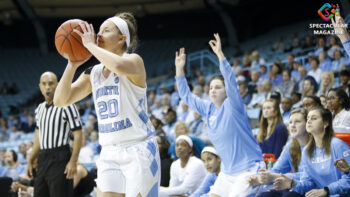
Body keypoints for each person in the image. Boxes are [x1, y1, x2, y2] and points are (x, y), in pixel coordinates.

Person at [53, 12, 160, 196]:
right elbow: (60, 101)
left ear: (121, 39)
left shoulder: (134, 60)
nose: (99, 34)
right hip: (109, 152)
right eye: (99, 30)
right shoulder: (92, 73)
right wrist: (72, 64)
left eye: (107, 30)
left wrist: (89, 45)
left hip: (139, 149)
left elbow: (117, 66)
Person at [174, 34, 263, 196]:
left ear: (226, 91)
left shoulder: (234, 105)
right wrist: (179, 70)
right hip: (227, 172)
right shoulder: (208, 109)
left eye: (218, 87)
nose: (213, 90)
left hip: (249, 168)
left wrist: (220, 55)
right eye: (211, 87)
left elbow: (231, 82)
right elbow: (186, 96)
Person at [26, 71, 83, 197]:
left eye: (51, 83)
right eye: (44, 84)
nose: (47, 87)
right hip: (43, 158)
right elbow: (38, 138)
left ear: (57, 85)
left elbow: (78, 134)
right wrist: (30, 160)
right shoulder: (39, 109)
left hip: (61, 156)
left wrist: (73, 161)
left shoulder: (67, 104)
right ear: (40, 86)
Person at [273, 107, 350, 196]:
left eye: (314, 118)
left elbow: (348, 181)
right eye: (308, 118)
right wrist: (292, 184)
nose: (309, 121)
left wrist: (326, 191)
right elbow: (309, 183)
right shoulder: (307, 151)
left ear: (325, 123)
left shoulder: (338, 145)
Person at [248, 108, 310, 197]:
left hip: (309, 189)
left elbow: (309, 177)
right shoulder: (290, 146)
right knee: (263, 195)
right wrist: (261, 177)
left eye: (297, 122)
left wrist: (276, 176)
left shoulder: (315, 146)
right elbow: (277, 170)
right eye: (290, 122)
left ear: (307, 124)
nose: (292, 125)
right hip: (290, 185)